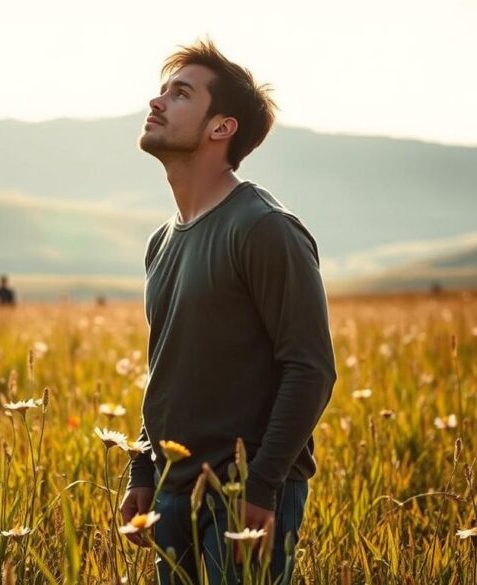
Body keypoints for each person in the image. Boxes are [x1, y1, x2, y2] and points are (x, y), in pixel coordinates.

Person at [119, 40, 337, 584]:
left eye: (180, 94)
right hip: (173, 493)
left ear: (221, 128)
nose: (157, 101)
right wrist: (143, 465)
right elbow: (165, 366)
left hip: (245, 495)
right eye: (163, 90)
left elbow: (310, 368)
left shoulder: (265, 229)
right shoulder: (162, 241)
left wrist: (263, 485)